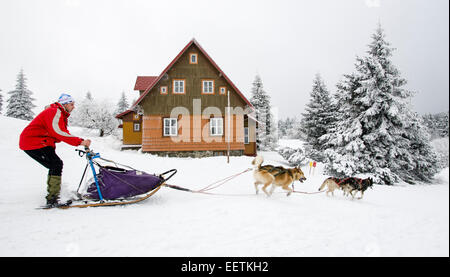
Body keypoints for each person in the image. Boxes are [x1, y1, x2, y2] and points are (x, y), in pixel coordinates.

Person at [19, 93, 91, 207]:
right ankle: (52, 199)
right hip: (34, 141)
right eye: (72, 104)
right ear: (65, 104)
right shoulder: (55, 111)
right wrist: (80, 142)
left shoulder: (60, 114)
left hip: (41, 142)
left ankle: (54, 195)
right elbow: (58, 132)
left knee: (55, 165)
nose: (73, 107)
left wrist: (79, 141)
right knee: (56, 164)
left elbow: (60, 133)